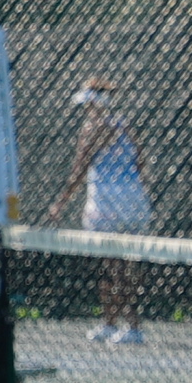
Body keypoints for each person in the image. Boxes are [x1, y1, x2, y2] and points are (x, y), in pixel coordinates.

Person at [49, 76, 153, 342]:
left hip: (107, 202)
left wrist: (61, 201)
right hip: (133, 201)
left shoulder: (93, 128)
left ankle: (125, 325)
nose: (86, 110)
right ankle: (120, 324)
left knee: (111, 266)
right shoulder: (126, 127)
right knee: (123, 264)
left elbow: (80, 166)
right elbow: (141, 163)